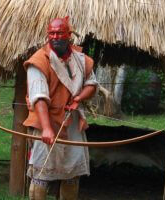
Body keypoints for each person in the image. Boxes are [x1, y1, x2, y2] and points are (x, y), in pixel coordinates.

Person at [23, 16, 98, 200]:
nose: (55, 37)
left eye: (59, 33)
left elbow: (92, 83)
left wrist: (78, 97)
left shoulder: (80, 59)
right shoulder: (39, 60)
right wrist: (47, 128)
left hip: (72, 122)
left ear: (69, 35)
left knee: (72, 175)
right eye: (52, 33)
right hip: (45, 122)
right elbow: (39, 97)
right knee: (40, 174)